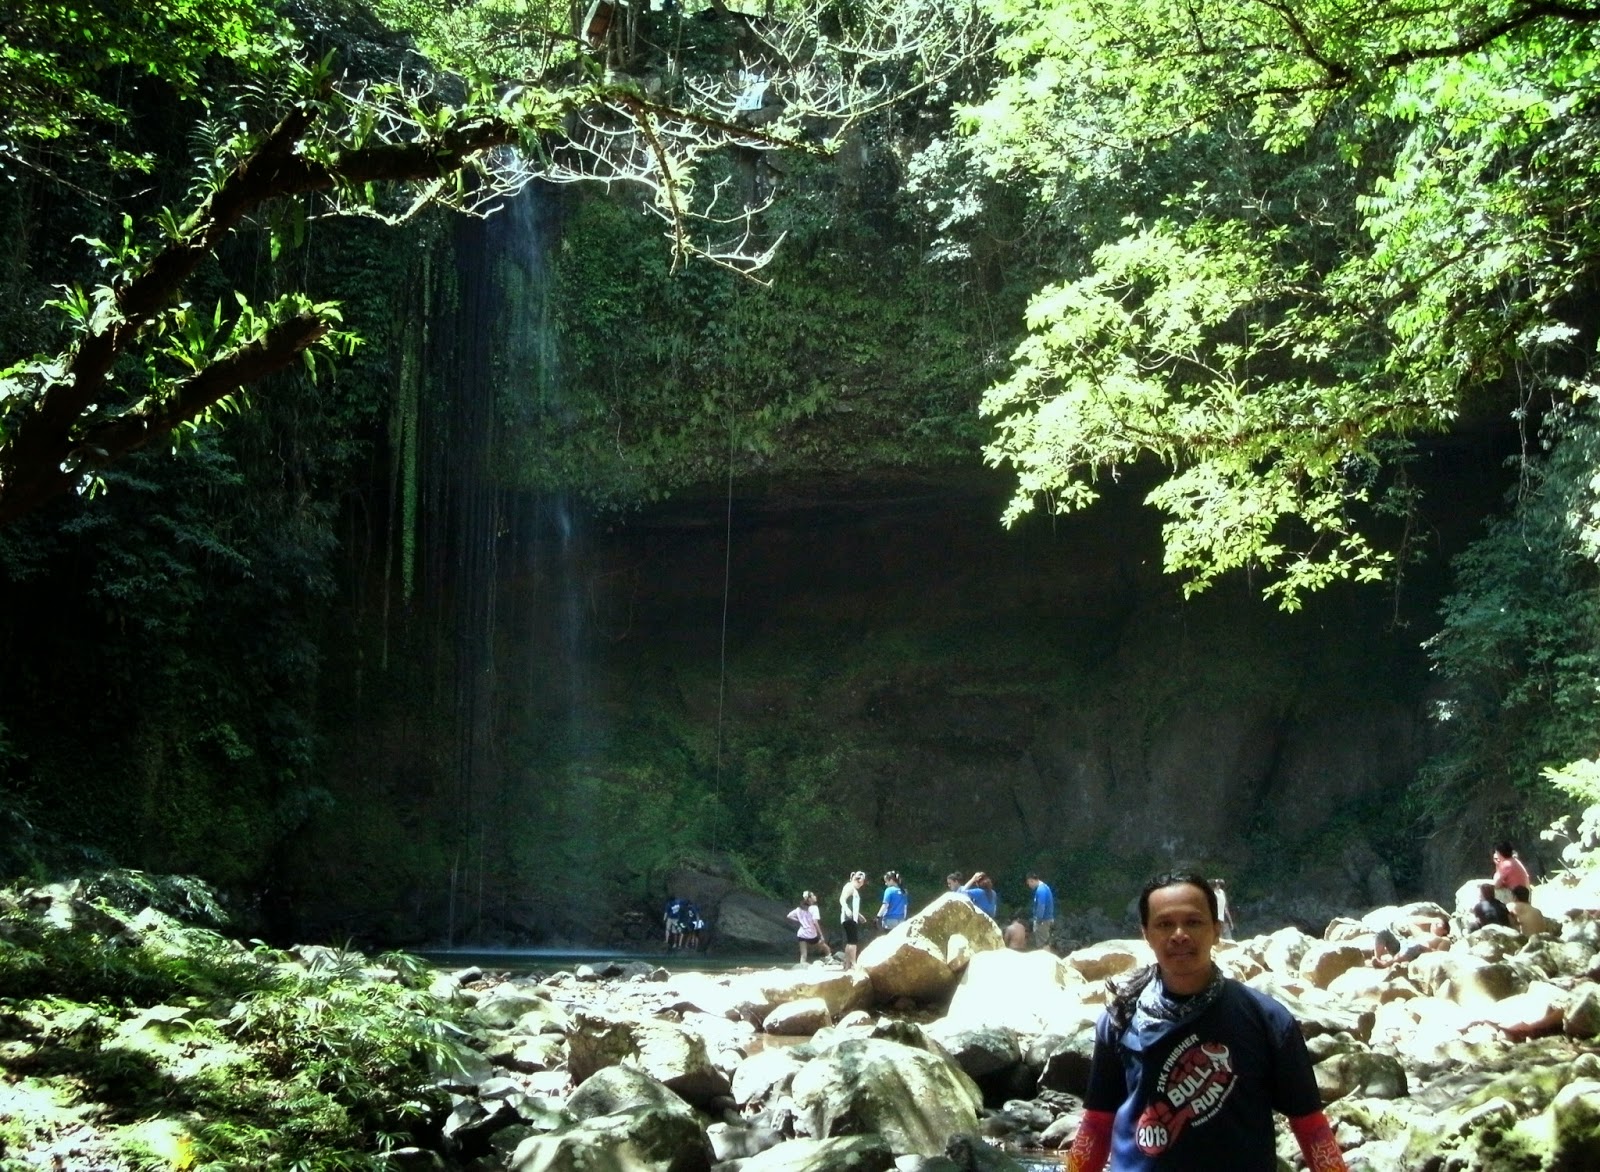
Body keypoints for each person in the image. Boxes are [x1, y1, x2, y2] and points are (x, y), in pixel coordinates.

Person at [1066, 873, 1347, 1172]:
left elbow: (1311, 1128)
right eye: (1164, 924)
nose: (1179, 935)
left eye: (1193, 922)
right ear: (1146, 934)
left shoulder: (1268, 1020)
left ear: (1216, 930)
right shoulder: (1120, 1020)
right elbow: (1097, 1125)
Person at [787, 891, 832, 963]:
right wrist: (821, 935)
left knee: (803, 955)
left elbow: (789, 916)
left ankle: (802, 966)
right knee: (827, 949)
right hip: (811, 934)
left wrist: (799, 920)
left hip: (802, 934)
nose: (815, 896)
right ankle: (830, 961)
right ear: (809, 899)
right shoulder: (814, 908)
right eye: (813, 895)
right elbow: (815, 922)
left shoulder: (799, 909)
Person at [839, 870, 868, 969]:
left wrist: (859, 916)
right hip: (848, 918)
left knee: (850, 941)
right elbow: (842, 899)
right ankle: (854, 962)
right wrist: (847, 910)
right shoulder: (849, 887)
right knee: (853, 941)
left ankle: (847, 964)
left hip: (851, 917)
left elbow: (852, 905)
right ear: (859, 881)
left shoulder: (854, 889)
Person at [1026, 873, 1055, 949]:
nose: (1029, 886)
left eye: (1029, 883)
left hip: (1043, 921)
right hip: (1047, 919)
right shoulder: (1045, 887)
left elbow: (1041, 906)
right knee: (1046, 941)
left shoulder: (1040, 890)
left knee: (1042, 944)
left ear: (1032, 880)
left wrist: (1038, 920)